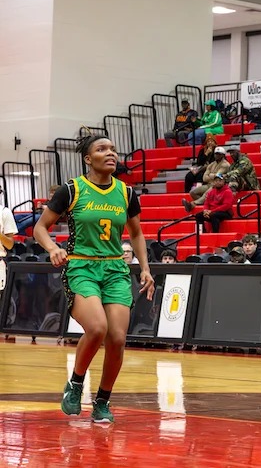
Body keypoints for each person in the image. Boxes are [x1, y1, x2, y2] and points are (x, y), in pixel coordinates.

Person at [33, 134, 155, 423]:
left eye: (113, 148)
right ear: (88, 159)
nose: (110, 153)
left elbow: (136, 233)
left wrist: (146, 268)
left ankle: (102, 400)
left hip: (114, 269)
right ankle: (75, 384)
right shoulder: (72, 189)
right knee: (98, 327)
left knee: (117, 338)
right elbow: (40, 228)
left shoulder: (126, 193)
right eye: (102, 149)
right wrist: (52, 248)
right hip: (81, 267)